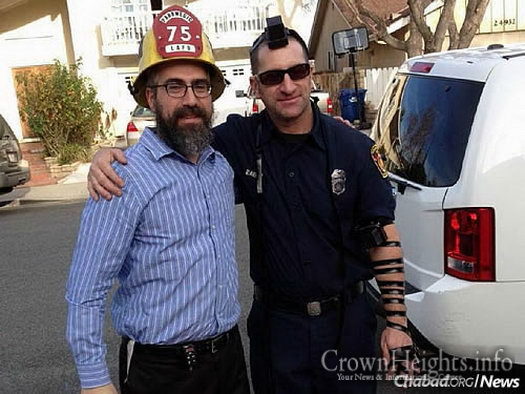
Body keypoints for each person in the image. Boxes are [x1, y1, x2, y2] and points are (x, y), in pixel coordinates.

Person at [88, 16, 415, 394]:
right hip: (278, 332)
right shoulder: (234, 142)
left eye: (296, 71)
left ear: (311, 74)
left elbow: (382, 237)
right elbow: (179, 132)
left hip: (348, 328)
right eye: (274, 77)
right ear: (255, 85)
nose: (288, 85)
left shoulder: (354, 149)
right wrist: (108, 156)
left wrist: (397, 324)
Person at [65, 6, 250, 394]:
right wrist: (94, 381)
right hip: (161, 370)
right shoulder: (121, 176)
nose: (190, 99)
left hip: (229, 358)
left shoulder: (219, 167)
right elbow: (86, 291)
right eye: (174, 86)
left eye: (200, 86)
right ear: (150, 95)